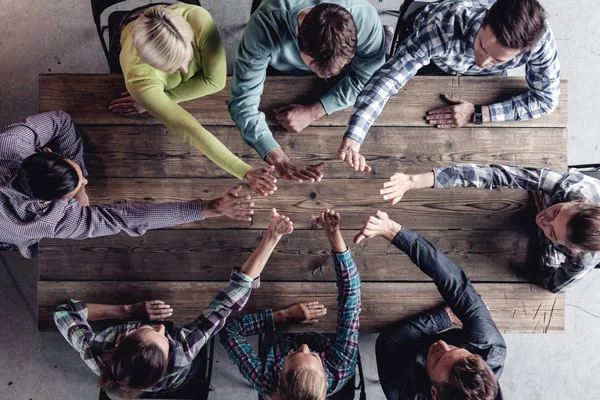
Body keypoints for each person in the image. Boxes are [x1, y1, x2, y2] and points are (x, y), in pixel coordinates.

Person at [54, 208, 294, 399]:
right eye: (164, 337)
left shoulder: (96, 352)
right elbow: (226, 303)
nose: (161, 326)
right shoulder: (183, 350)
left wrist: (128, 310)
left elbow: (65, 312)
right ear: (169, 358)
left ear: (118, 343)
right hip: (181, 377)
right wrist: (272, 238)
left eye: (148, 328)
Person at [338, 0, 561, 172]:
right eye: (483, 47)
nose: (483, 62)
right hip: (435, 58)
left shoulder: (539, 41)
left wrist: (479, 114)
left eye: (497, 59)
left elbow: (546, 99)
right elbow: (388, 79)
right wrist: (354, 137)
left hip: (482, 82)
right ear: (484, 18)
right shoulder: (442, 27)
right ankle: (388, 39)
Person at [0, 111, 254, 259]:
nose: (85, 181)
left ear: (44, 152)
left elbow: (61, 121)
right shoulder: (48, 219)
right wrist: (210, 207)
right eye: (76, 187)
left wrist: (76, 184)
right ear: (46, 202)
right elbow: (125, 218)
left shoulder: (9, 144)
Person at [109, 4, 277, 196]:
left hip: (158, 18)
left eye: (186, 57)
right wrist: (244, 172)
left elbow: (216, 82)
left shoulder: (198, 18)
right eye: (170, 67)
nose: (184, 70)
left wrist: (163, 99)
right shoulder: (138, 79)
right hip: (131, 33)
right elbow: (191, 130)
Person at [378, 163, 600, 293]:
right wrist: (415, 180)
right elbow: (497, 176)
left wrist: (545, 241)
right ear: (578, 201)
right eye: (556, 212)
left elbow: (553, 284)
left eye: (553, 233)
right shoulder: (571, 186)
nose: (542, 221)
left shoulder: (584, 259)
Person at [354, 210, 505, 400]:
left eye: (439, 358)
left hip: (406, 347)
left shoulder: (405, 395)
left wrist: (444, 317)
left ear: (433, 393)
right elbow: (455, 283)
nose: (442, 344)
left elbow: (388, 343)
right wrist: (392, 231)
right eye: (453, 348)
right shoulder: (488, 346)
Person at [230, 0, 386, 183]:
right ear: (297, 32)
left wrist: (314, 111)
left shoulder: (365, 17)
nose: (325, 77)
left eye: (340, 65)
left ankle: (373, 48)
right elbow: (243, 103)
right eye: (315, 66)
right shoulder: (264, 26)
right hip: (280, 70)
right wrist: (279, 159)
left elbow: (367, 80)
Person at [220, 209, 361, 399]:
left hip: (278, 332)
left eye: (293, 355)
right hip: (323, 329)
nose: (303, 345)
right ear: (325, 377)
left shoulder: (267, 381)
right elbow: (351, 296)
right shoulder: (340, 367)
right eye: (314, 355)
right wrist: (334, 234)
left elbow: (228, 331)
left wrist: (284, 316)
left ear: (280, 378)